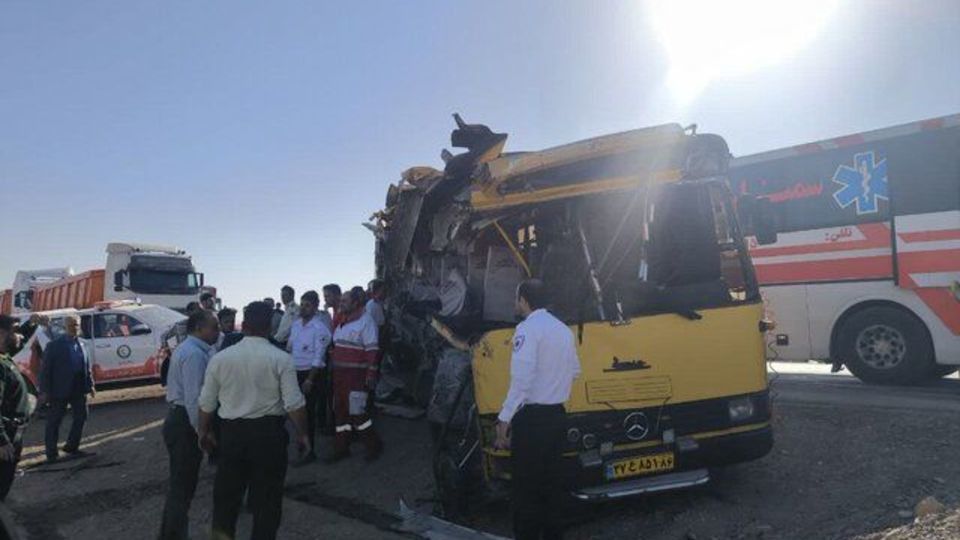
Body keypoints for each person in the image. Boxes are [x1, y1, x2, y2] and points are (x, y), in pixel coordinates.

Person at [198, 301, 310, 540]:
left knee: (226, 502)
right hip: (268, 437)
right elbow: (294, 404)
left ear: (244, 326)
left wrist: (203, 432)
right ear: (270, 327)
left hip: (232, 437)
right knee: (267, 503)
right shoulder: (281, 359)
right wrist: (303, 434)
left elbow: (206, 404)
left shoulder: (221, 359)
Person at [494, 279, 580, 540]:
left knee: (526, 490)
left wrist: (504, 418)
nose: (514, 303)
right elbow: (575, 371)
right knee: (552, 487)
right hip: (557, 416)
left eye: (516, 298)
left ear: (524, 300)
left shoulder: (527, 329)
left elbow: (522, 378)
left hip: (533, 421)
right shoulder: (562, 330)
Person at [159, 310, 219, 540]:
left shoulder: (194, 349)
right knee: (182, 488)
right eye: (214, 327)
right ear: (198, 329)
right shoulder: (194, 354)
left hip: (181, 419)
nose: (218, 331)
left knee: (181, 486)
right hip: (184, 422)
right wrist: (202, 432)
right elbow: (195, 400)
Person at [327, 288, 382, 463]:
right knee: (341, 413)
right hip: (339, 377)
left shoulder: (366, 322)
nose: (340, 303)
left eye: (344, 301)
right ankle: (341, 448)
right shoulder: (343, 321)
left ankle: (374, 446)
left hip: (356, 377)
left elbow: (372, 351)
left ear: (355, 303)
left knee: (358, 414)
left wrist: (371, 375)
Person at [41, 314, 96, 463]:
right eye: (71, 325)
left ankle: (72, 447)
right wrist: (45, 391)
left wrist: (91, 385)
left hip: (79, 386)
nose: (75, 328)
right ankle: (51, 454)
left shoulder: (83, 344)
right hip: (60, 388)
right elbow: (45, 370)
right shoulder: (54, 346)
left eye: (77, 325)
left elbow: (87, 366)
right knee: (54, 421)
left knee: (82, 416)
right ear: (65, 327)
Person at [286, 291, 331, 465]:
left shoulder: (320, 329)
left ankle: (309, 450)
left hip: (310, 374)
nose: (303, 308)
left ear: (315, 307)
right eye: (302, 304)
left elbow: (319, 357)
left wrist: (310, 380)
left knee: (308, 413)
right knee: (296, 412)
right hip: (294, 372)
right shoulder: (296, 325)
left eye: (308, 305)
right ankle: (301, 444)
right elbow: (290, 348)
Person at [0, 316, 32, 500]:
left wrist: (31, 324)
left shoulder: (4, 357)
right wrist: (2, 441)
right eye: (16, 331)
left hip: (13, 435)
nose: (21, 336)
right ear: (1, 334)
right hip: (6, 440)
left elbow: (18, 342)